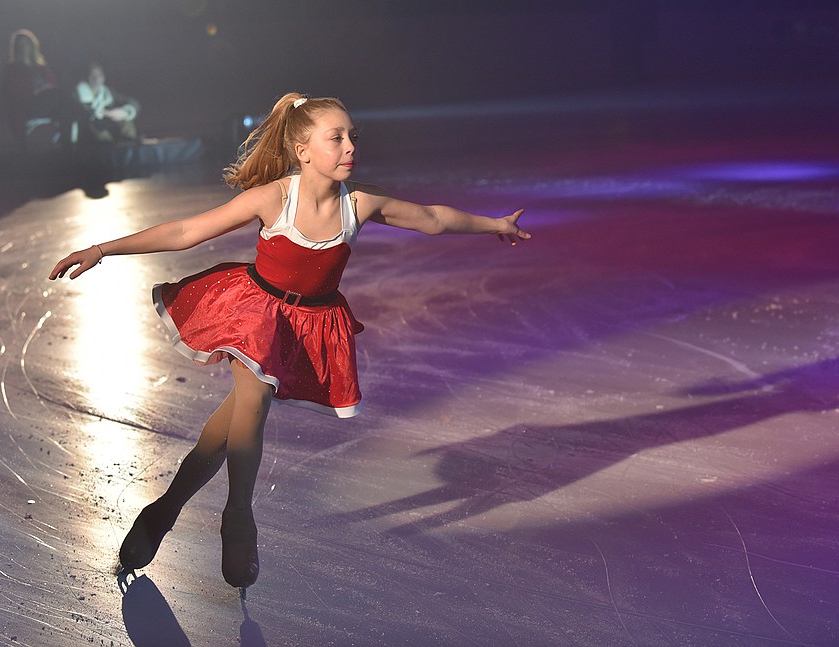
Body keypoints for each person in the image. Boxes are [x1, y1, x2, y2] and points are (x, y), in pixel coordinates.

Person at [48, 93, 530, 591]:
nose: (350, 147)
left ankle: (164, 509)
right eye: (336, 137)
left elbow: (431, 218)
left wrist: (494, 224)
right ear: (302, 150)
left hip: (309, 324)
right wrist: (103, 249)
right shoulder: (275, 197)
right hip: (255, 313)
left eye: (352, 137)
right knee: (252, 407)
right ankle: (238, 519)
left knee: (230, 424)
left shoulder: (359, 202)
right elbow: (188, 230)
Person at [0, 28, 81, 145]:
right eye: (21, 44)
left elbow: (53, 86)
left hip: (48, 101)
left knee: (64, 111)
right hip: (28, 105)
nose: (24, 47)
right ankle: (83, 112)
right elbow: (13, 94)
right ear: (16, 47)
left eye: (27, 43)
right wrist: (36, 91)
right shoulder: (12, 69)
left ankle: (67, 149)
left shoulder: (41, 66)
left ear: (32, 46)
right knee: (61, 96)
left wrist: (47, 89)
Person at [76, 63, 140, 143]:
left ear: (103, 77)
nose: (96, 79)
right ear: (85, 77)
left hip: (110, 126)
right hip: (91, 132)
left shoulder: (108, 93)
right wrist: (107, 113)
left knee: (127, 123)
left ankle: (130, 147)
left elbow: (132, 102)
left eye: (99, 75)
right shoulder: (77, 94)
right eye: (92, 76)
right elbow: (83, 112)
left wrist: (125, 112)